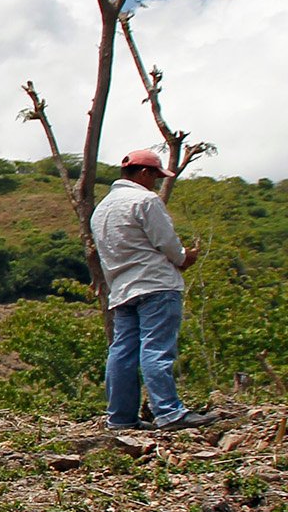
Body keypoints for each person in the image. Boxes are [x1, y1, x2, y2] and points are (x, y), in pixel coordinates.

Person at [91, 149, 216, 430]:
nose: (157, 182)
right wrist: (185, 259)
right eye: (156, 176)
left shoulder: (102, 209)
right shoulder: (145, 200)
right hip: (156, 284)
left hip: (122, 288)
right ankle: (169, 413)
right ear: (144, 173)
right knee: (156, 349)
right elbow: (167, 243)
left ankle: (120, 418)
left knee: (121, 352)